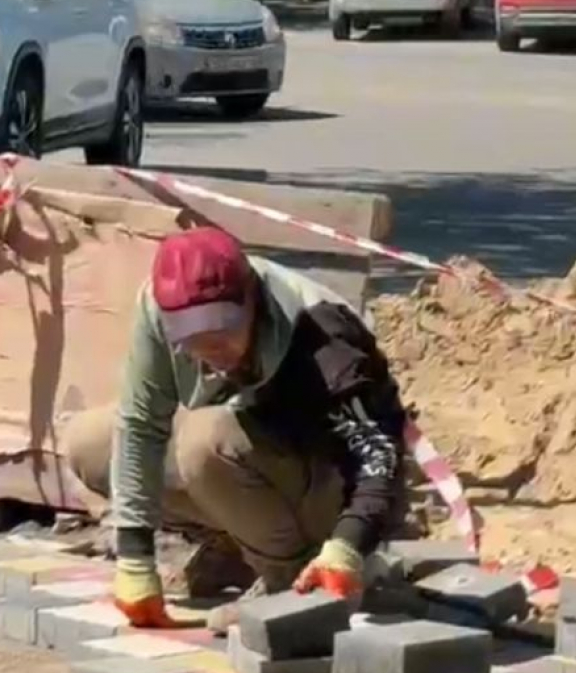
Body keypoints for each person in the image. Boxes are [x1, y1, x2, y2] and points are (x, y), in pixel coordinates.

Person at [62, 225, 409, 631]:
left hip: (328, 483)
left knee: (203, 442)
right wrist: (134, 557)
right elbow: (140, 427)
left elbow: (378, 454)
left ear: (251, 301)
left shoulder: (321, 331)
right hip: (256, 464)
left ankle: (292, 582)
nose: (210, 349)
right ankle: (238, 549)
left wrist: (349, 543)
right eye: (193, 337)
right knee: (90, 443)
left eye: (223, 331)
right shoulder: (158, 308)